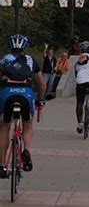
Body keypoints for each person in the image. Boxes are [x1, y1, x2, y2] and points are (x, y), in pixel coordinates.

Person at [0, 34, 46, 177]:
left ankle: (1, 165)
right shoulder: (31, 61)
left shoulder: (4, 60)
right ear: (25, 47)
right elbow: (42, 84)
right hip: (26, 94)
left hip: (7, 94)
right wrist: (39, 99)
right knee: (27, 122)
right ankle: (26, 149)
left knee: (4, 126)